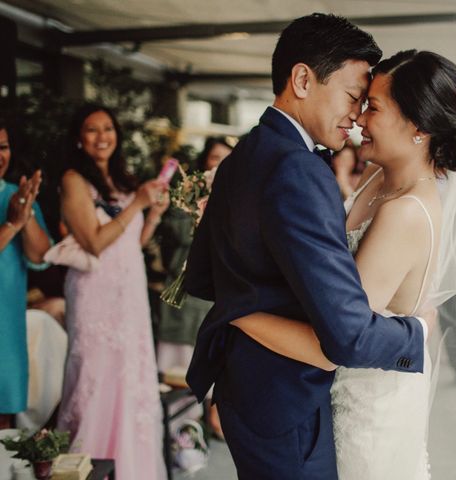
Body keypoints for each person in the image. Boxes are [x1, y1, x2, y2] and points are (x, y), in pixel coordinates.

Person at [229, 50, 456, 479]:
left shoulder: (406, 211)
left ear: (418, 126)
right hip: (342, 391)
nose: (359, 118)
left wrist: (238, 314)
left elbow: (335, 342)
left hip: (369, 406)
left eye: (373, 107)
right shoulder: (381, 179)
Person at [184, 14, 430, 480]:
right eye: (354, 97)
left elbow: (203, 273)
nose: (357, 116)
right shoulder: (297, 169)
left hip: (248, 387)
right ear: (302, 79)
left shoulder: (246, 151)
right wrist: (415, 336)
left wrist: (242, 309)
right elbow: (349, 335)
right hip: (286, 400)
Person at [56, 104, 168, 480]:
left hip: (130, 295)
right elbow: (94, 242)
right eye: (92, 129)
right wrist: (137, 202)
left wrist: (151, 213)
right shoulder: (74, 180)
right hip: (95, 297)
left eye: (108, 128)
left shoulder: (123, 179)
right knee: (95, 382)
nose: (102, 136)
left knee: (130, 383)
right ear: (78, 137)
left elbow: (131, 242)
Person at [156, 137, 233, 440]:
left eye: (226, 159)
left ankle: (211, 417)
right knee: (177, 359)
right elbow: (173, 234)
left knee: (213, 353)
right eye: (214, 157)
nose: (219, 164)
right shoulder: (187, 194)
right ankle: (180, 427)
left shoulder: (238, 195)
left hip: (214, 294)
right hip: (183, 288)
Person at [0, 120, 50, 430]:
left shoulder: (14, 195)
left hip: (6, 327)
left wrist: (26, 213)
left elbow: (40, 256)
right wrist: (12, 225)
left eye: (2, 147)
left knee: (4, 418)